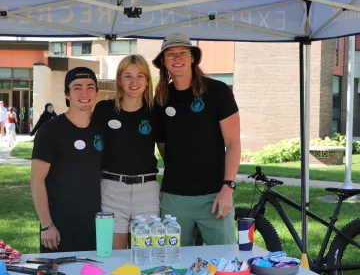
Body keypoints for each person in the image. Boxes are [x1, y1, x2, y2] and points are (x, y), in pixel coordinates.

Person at [153, 33, 241, 247]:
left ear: (193, 57)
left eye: (183, 53)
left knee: (224, 263)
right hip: (174, 198)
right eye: (170, 54)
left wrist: (228, 187)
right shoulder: (161, 98)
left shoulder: (217, 91)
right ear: (164, 62)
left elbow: (233, 142)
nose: (177, 58)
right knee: (173, 266)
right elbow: (163, 144)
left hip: (214, 195)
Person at [30, 67, 104, 253]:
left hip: (94, 226)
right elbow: (36, 179)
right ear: (67, 94)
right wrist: (47, 225)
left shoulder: (101, 129)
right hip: (58, 228)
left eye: (90, 87)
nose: (84, 93)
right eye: (77, 87)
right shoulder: (50, 130)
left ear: (96, 92)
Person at [91, 55, 160, 249]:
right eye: (128, 75)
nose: (134, 81)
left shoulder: (155, 112)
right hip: (112, 188)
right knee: (114, 255)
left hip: (146, 191)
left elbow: (166, 151)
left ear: (147, 81)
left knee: (146, 256)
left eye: (140, 75)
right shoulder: (104, 109)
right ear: (119, 81)